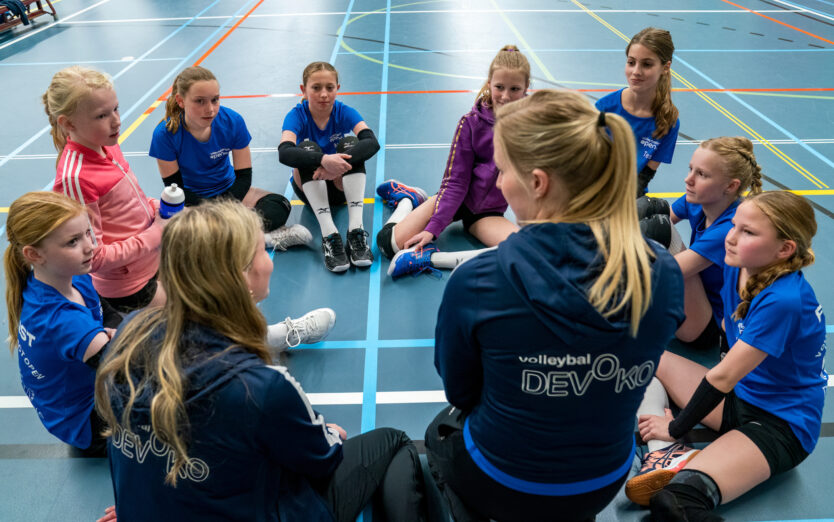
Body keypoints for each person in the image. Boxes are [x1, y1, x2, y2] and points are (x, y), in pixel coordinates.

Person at [425, 90, 685, 522]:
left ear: (539, 182)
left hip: (504, 480)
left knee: (440, 431)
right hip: (603, 479)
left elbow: (463, 393)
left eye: (504, 170)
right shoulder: (662, 274)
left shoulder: (478, 281)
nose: (501, 183)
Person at [95, 201, 426, 522]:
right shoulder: (261, 388)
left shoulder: (128, 336)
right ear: (241, 276)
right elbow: (322, 461)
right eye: (261, 251)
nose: (268, 261)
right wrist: (328, 434)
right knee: (391, 441)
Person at [627, 191, 826, 522]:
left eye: (748, 232)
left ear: (784, 249)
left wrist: (675, 426)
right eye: (734, 226)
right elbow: (727, 327)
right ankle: (665, 455)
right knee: (641, 357)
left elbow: (721, 377)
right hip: (740, 397)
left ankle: (672, 444)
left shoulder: (785, 300)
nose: (731, 238)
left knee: (677, 503)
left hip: (778, 425)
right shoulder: (741, 267)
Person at [375, 44, 529, 279]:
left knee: (524, 253)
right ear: (489, 83)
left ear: (526, 89)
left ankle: (432, 258)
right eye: (499, 87)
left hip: (488, 214)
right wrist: (433, 228)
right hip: (457, 200)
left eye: (515, 89)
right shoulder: (471, 123)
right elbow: (456, 182)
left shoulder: (533, 127)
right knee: (390, 245)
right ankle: (407, 199)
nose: (506, 96)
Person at [4, 191, 118, 456]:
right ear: (34, 254)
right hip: (88, 426)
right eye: (73, 242)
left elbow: (108, 310)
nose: (90, 246)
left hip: (73, 405)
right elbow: (132, 373)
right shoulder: (63, 321)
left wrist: (113, 334)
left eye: (88, 233)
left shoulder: (64, 277)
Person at [44, 65, 164, 313]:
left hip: (151, 259)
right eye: (101, 116)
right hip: (130, 284)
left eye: (116, 109)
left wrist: (157, 207)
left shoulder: (108, 145)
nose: (116, 121)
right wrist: (156, 233)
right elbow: (92, 257)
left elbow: (129, 203)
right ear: (68, 123)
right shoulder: (76, 178)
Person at [150, 66, 311, 251]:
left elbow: (243, 177)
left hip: (229, 192)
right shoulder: (165, 134)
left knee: (279, 204)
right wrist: (220, 212)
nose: (210, 109)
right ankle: (260, 238)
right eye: (199, 101)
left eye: (215, 100)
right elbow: (176, 188)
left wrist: (226, 208)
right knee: (173, 230)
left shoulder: (232, 121)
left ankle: (223, 237)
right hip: (193, 200)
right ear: (180, 100)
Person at [646, 137, 762, 344]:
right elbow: (659, 219)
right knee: (651, 212)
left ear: (730, 186)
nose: (688, 180)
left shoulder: (731, 227)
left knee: (656, 238)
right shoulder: (699, 199)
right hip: (694, 294)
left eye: (701, 174)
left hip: (706, 326)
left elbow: (669, 271)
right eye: (691, 169)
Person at [278, 61, 380, 272]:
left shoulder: (344, 111)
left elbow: (371, 142)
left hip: (340, 185)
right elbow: (284, 152)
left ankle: (356, 231)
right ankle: (329, 235)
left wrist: (336, 166)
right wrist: (323, 160)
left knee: (352, 144)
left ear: (337, 89)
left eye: (329, 87)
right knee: (306, 149)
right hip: (310, 186)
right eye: (316, 88)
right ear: (303, 90)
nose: (323, 94)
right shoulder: (296, 115)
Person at [595, 27, 680, 196]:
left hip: (630, 195)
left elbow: (645, 176)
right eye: (631, 62)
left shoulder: (668, 120)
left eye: (647, 64)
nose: (636, 72)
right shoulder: (605, 108)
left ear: (665, 67)